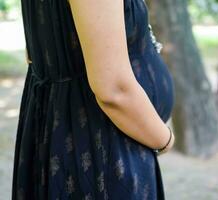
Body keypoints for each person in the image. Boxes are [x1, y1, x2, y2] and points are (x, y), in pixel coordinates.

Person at [12, 0, 175, 199]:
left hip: (65, 126)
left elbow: (39, 52)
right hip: (100, 145)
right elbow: (113, 91)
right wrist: (164, 140)